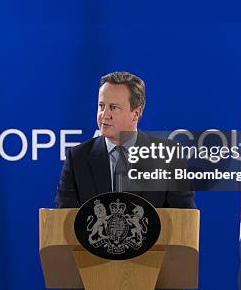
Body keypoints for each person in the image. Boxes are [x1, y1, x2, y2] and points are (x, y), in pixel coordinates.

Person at [55, 71, 195, 209]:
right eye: (101, 106)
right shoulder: (77, 158)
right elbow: (64, 220)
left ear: (136, 113)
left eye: (113, 107)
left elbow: (184, 221)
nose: (104, 115)